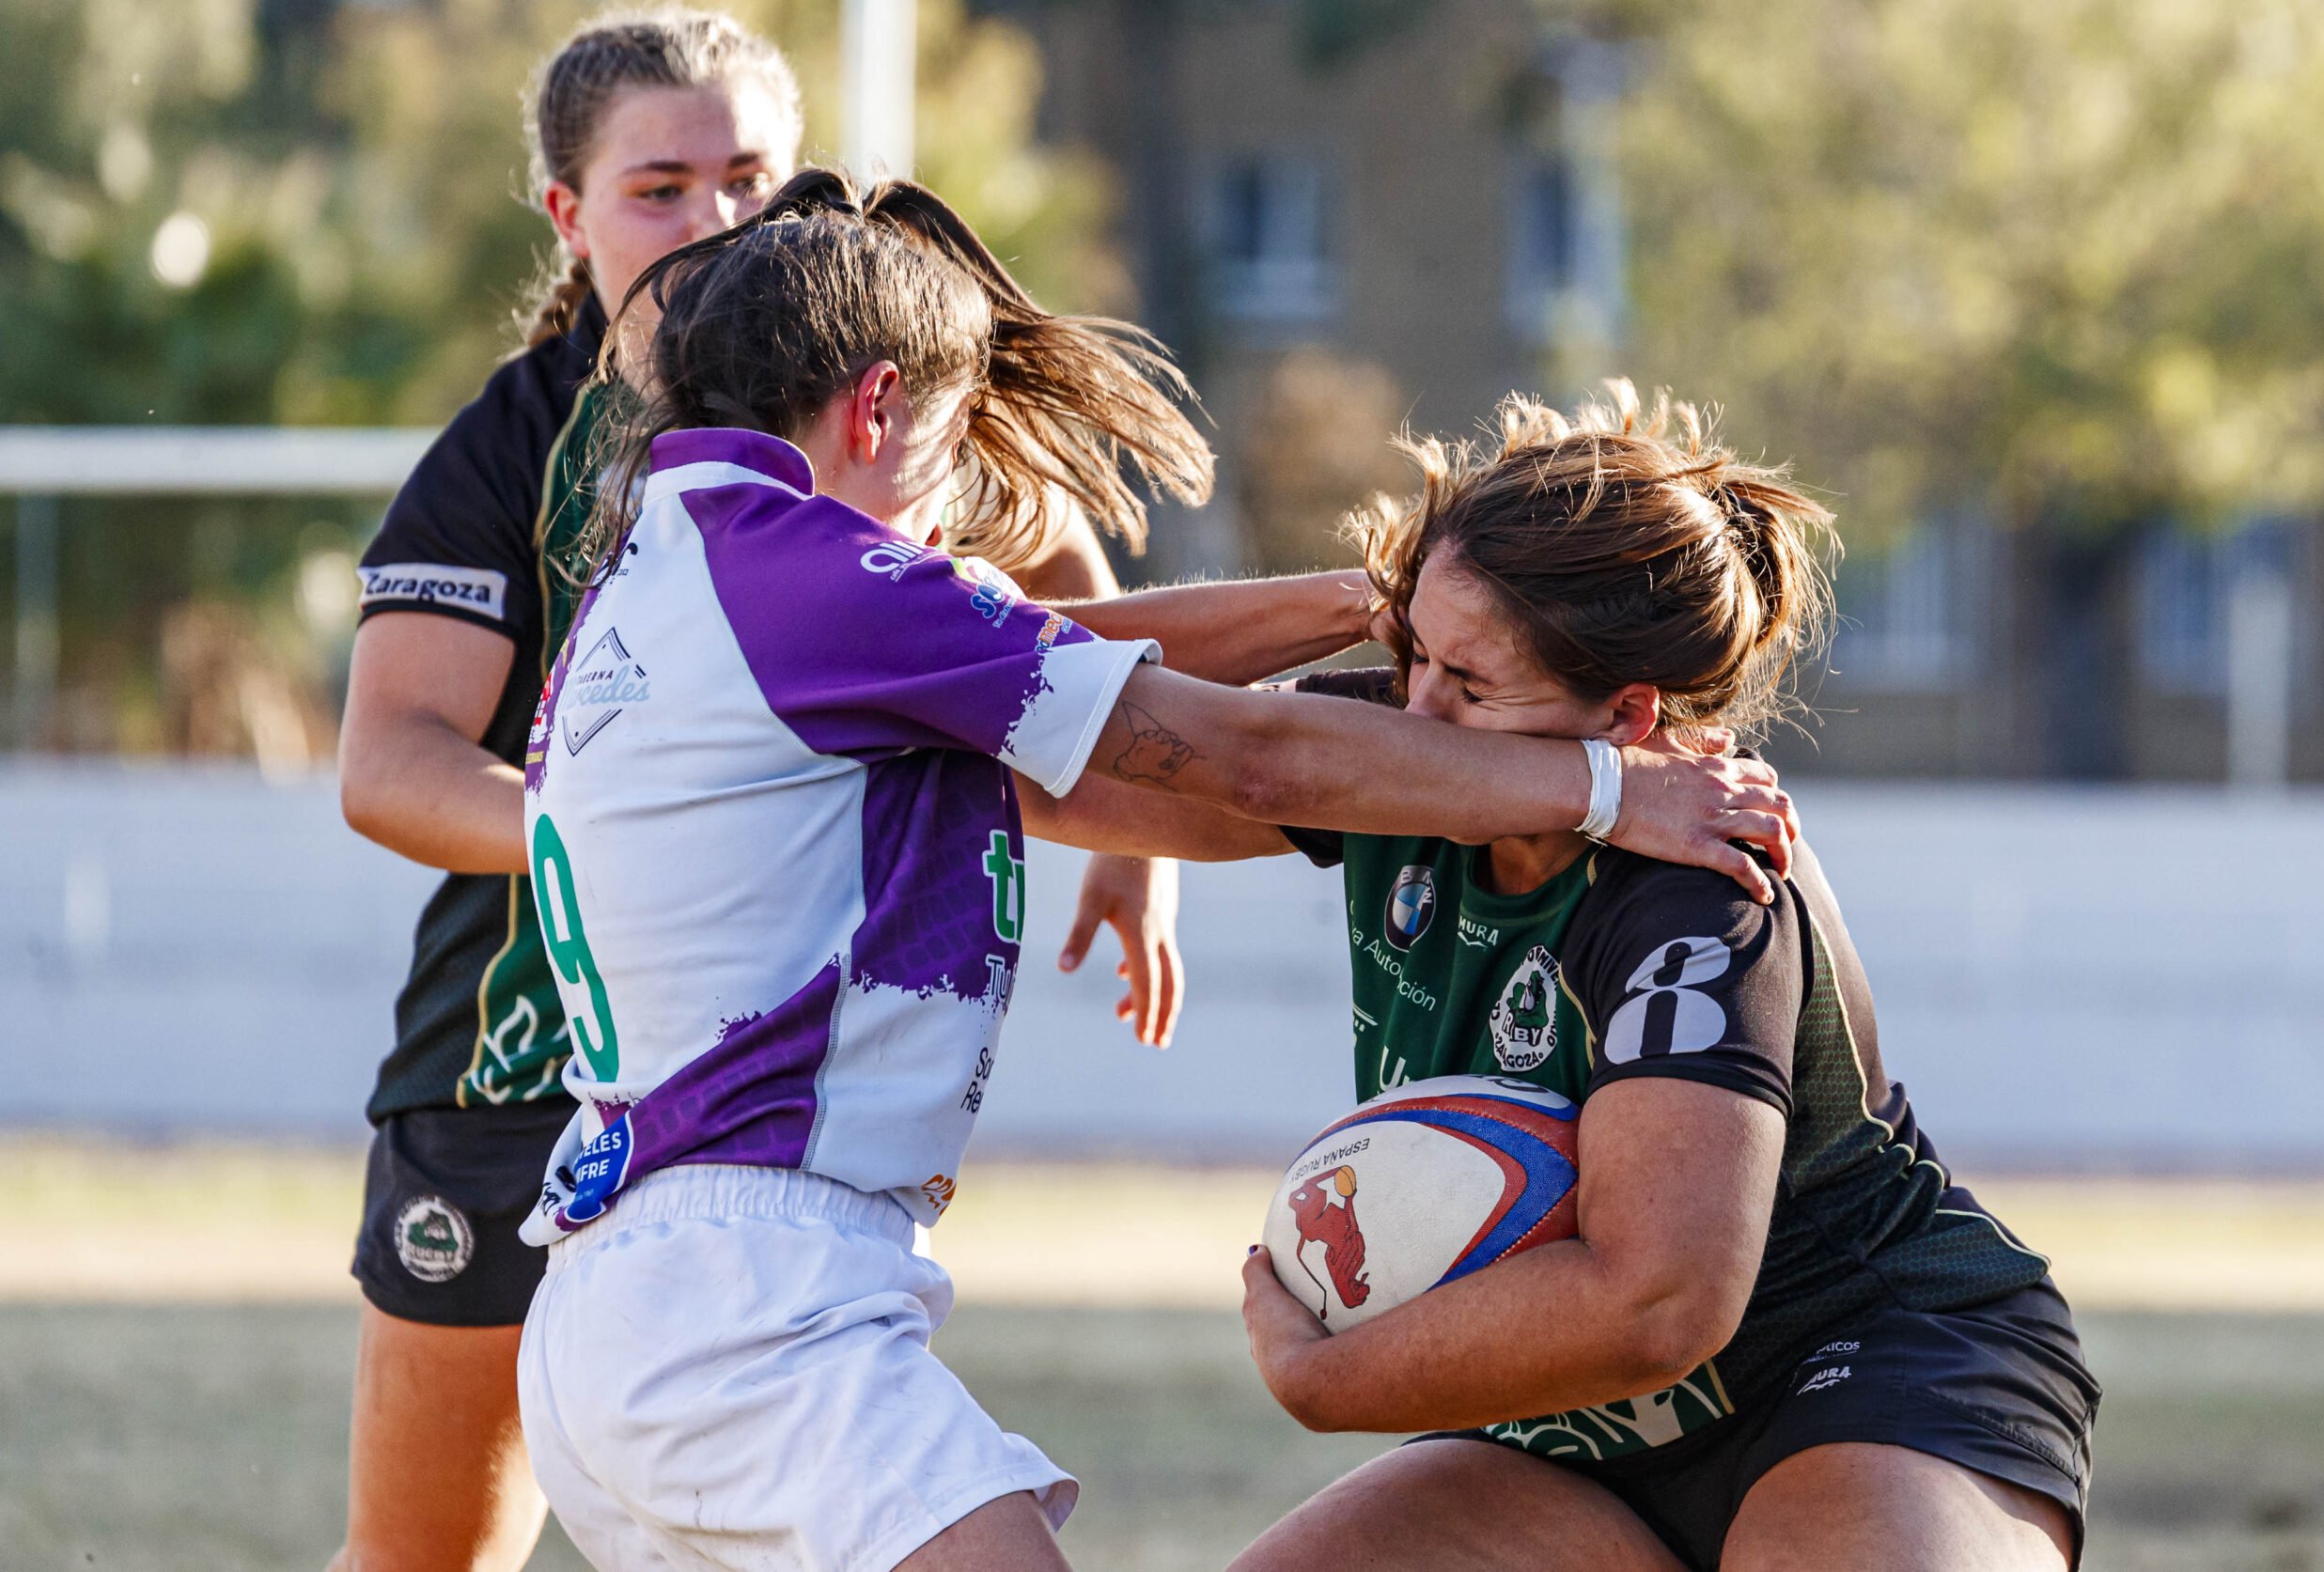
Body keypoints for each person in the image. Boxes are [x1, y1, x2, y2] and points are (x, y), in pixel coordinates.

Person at [510, 169, 1796, 1572]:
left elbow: (1088, 640)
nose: (954, 516)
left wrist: (1386, 609)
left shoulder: (667, 568)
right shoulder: (809, 574)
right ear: (876, 407)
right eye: (954, 457)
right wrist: (1609, 786)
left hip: (617, 1299)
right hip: (752, 1292)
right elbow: (1243, 753)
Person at [332, 8, 1186, 1572]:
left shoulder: (875, 410)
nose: (714, 218)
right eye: (660, 186)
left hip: (754, 1112)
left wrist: (1142, 849)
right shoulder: (513, 440)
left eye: (750, 174)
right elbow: (386, 762)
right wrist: (642, 829)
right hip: (514, 1062)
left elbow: (1065, 625)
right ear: (567, 215)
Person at [1049, 386, 2099, 1571]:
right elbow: (1020, 749)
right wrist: (1356, 608)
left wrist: (1326, 1377)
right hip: (1574, 1439)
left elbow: (1657, 1301)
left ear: (1628, 716)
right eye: (1410, 655)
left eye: (1470, 684)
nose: (1418, 715)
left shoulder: (1699, 878)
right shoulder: (1389, 746)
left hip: (1860, 1369)